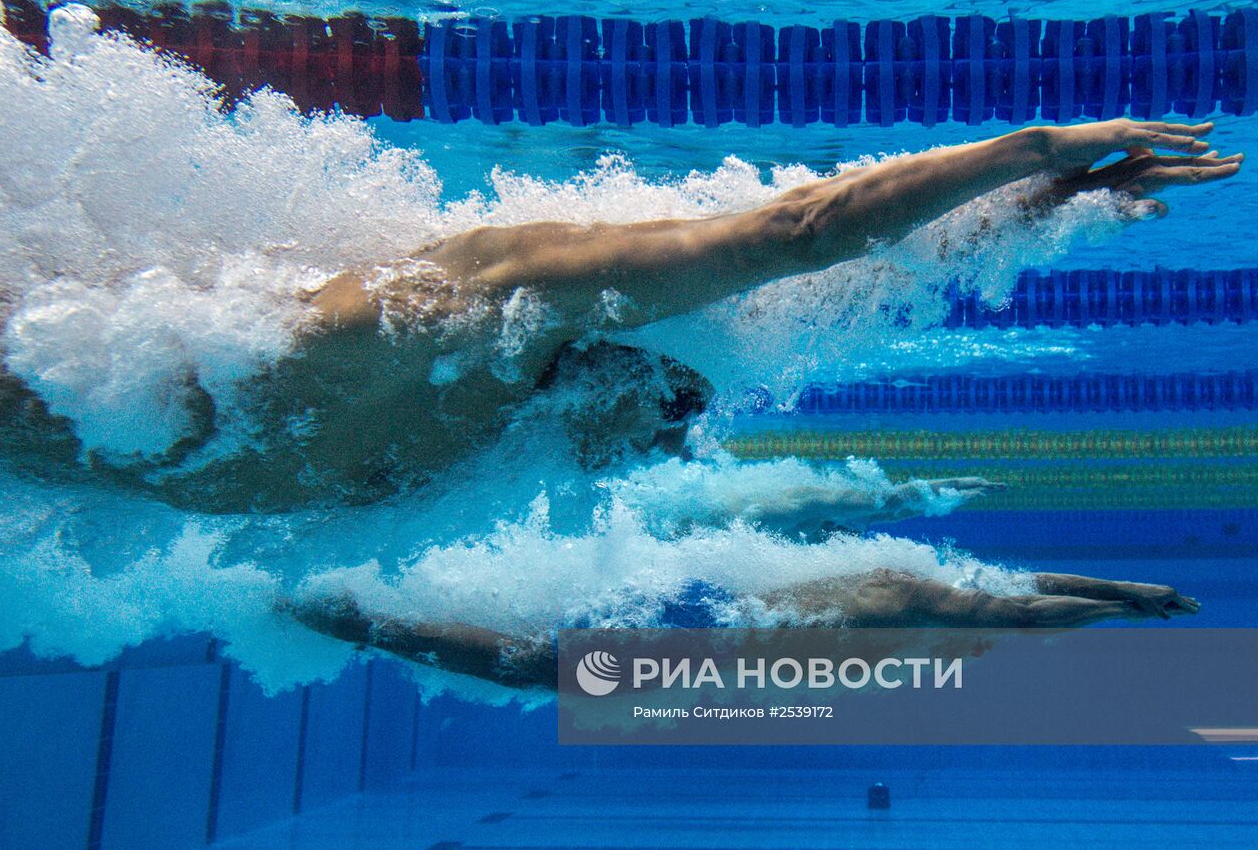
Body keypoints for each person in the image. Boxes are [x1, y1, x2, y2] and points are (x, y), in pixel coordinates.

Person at [161, 118, 1239, 511]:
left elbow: (843, 287)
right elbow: (796, 237)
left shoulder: (475, 435)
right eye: (680, 416)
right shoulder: (465, 308)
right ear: (625, 364)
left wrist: (1047, 211)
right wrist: (1030, 154)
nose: (668, 445)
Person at [287, 569, 1202, 690]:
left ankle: (362, 610)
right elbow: (1024, 610)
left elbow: (1021, 594)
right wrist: (1125, 604)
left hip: (728, 610)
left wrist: (1122, 590)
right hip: (724, 628)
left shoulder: (917, 585)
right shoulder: (937, 608)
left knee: (543, 649)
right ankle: (354, 616)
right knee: (544, 666)